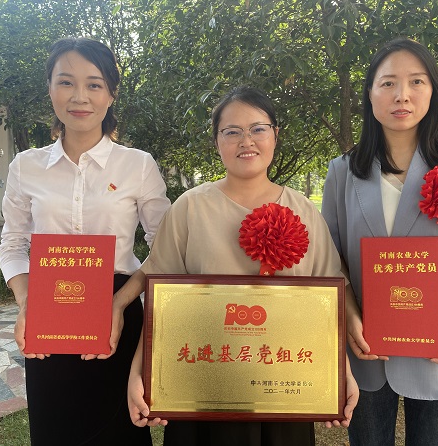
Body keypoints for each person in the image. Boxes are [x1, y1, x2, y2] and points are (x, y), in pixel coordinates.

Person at [120, 86, 359, 446]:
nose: (246, 141)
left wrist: (342, 373)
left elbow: (326, 308)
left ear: (275, 135)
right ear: (217, 142)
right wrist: (139, 371)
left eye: (258, 129)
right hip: (201, 390)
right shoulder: (189, 209)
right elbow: (162, 305)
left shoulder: (305, 213)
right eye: (231, 131)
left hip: (282, 390)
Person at [321, 38, 438, 446]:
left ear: (432, 90)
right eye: (387, 83)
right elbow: (333, 261)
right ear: (370, 94)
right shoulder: (343, 171)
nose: (401, 95)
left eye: (416, 81)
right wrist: (349, 316)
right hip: (368, 348)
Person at [0, 37, 170, 445]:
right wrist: (28, 304)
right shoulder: (26, 167)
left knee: (119, 432)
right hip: (47, 315)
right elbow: (13, 244)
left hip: (118, 312)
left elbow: (165, 249)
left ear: (111, 94)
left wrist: (119, 303)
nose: (80, 96)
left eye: (94, 84)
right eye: (66, 82)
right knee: (56, 430)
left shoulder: (137, 165)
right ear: (50, 89)